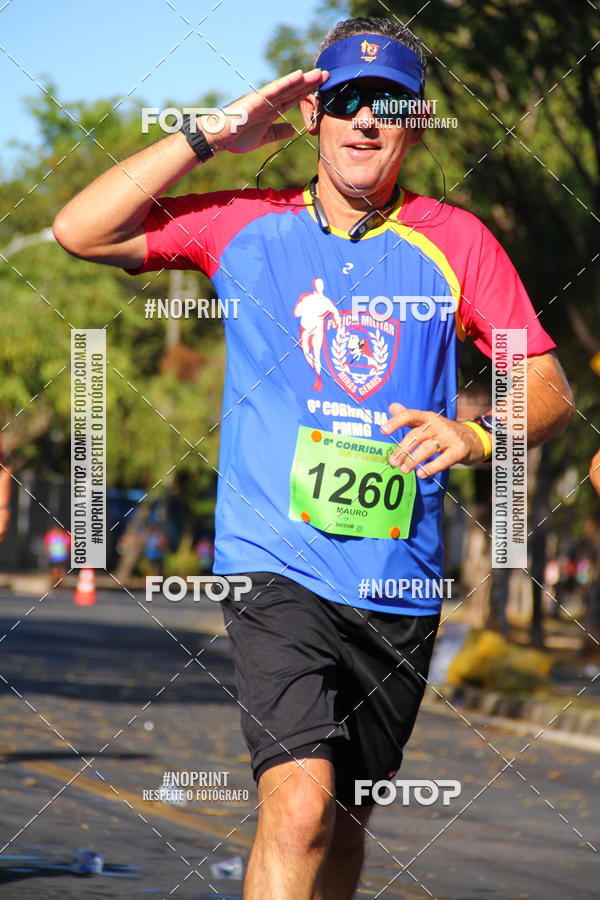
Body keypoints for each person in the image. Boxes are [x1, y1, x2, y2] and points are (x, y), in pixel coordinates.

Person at [52, 15, 574, 899]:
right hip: (276, 567)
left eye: (389, 103)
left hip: (399, 582)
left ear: (413, 124)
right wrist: (213, 133)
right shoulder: (244, 226)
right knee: (298, 810)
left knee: (343, 826)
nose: (365, 120)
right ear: (312, 116)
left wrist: (475, 435)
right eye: (345, 101)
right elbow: (78, 230)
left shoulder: (457, 241)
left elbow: (552, 389)